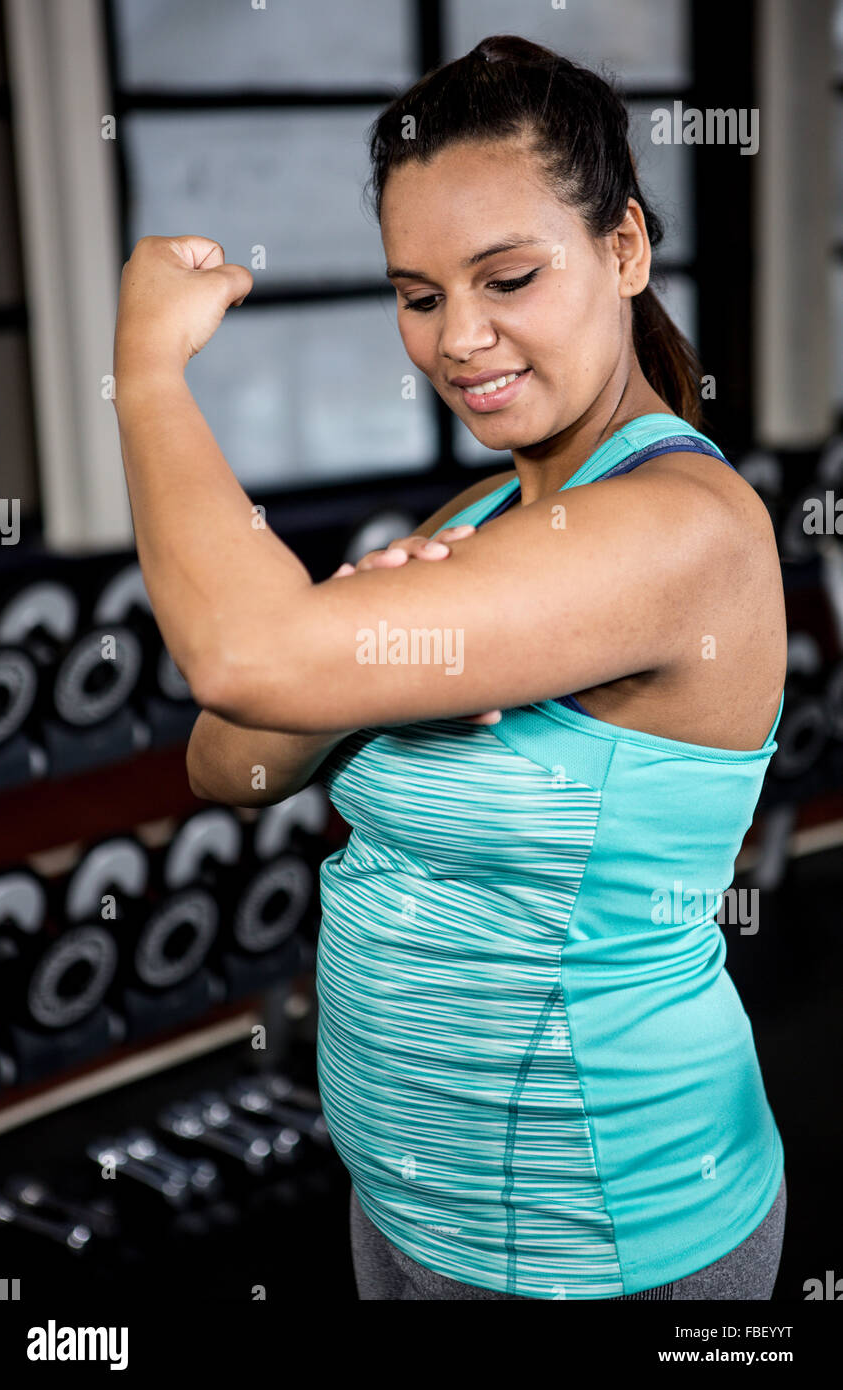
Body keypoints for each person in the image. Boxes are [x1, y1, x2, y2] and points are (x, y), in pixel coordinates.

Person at [115, 35, 788, 1301]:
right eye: (419, 296)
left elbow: (247, 654)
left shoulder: (683, 528)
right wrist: (337, 672)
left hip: (603, 1244)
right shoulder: (481, 518)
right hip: (406, 1212)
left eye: (508, 277)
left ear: (624, 249)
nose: (459, 341)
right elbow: (233, 753)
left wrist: (149, 371)